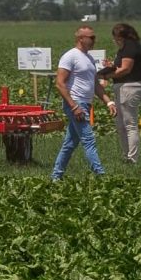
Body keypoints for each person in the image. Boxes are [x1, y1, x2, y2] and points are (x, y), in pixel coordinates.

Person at [51, 23, 107, 181]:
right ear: (81, 38)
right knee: (89, 140)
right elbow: (60, 83)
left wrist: (108, 102)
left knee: (69, 144)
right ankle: (101, 176)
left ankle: (56, 176)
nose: (95, 40)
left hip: (85, 103)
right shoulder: (70, 56)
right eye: (92, 37)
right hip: (76, 103)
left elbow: (95, 84)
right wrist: (74, 106)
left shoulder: (89, 58)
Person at [105, 22, 141, 166]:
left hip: (129, 87)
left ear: (120, 37)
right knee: (121, 124)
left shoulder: (129, 47)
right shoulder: (130, 47)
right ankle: (127, 156)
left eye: (116, 38)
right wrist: (112, 65)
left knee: (129, 124)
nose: (115, 41)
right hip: (124, 87)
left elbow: (125, 69)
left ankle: (132, 158)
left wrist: (106, 74)